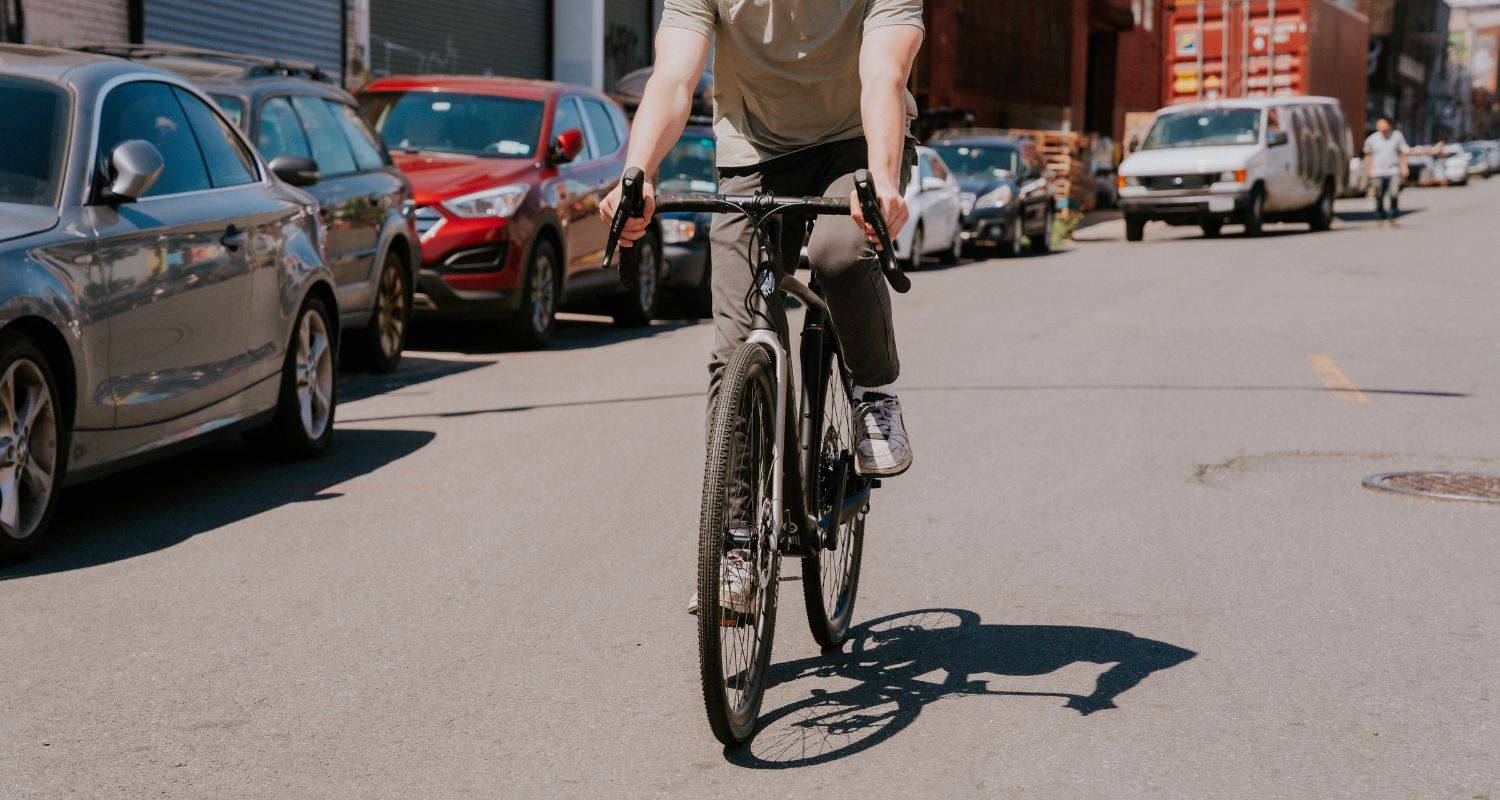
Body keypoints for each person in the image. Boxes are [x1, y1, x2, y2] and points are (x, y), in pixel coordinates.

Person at [1364, 118, 1410, 226]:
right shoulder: (1372, 139)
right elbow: (1367, 155)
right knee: (1378, 194)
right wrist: (1370, 170)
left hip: (1394, 170)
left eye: (1385, 124)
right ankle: (1380, 215)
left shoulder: (1397, 136)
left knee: (1394, 193)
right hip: (1377, 171)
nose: (1383, 126)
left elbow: (1402, 152)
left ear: (1389, 125)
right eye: (1380, 124)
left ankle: (1393, 216)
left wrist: (1404, 167)